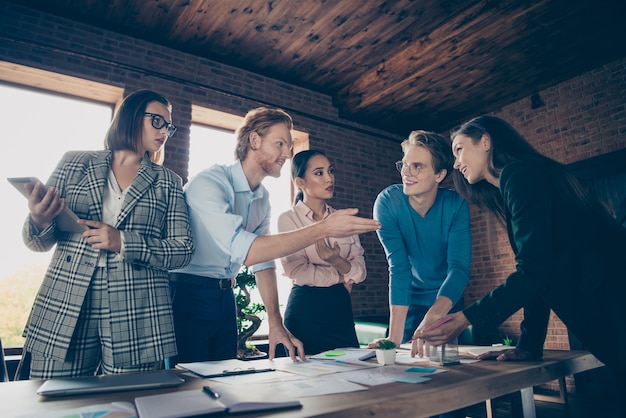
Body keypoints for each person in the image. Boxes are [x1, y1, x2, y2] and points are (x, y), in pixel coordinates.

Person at [417, 115, 626, 413]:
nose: (456, 163)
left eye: (460, 149)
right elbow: (539, 275)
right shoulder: (517, 182)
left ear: (486, 141)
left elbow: (534, 271)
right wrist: (528, 346)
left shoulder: (519, 174)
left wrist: (465, 318)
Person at [169, 107, 380, 363]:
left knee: (218, 378)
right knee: (186, 386)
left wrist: (275, 322)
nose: (287, 153)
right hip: (187, 293)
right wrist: (325, 228)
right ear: (254, 140)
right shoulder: (210, 183)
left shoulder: (262, 198)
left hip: (225, 297)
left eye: (289, 146)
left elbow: (264, 263)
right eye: (280, 143)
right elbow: (247, 251)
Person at [21, 90, 195, 378]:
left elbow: (182, 250)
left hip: (138, 307)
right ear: (130, 117)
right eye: (157, 121)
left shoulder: (168, 182)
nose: (165, 131)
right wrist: (39, 219)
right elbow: (37, 242)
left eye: (169, 125)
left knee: (130, 402)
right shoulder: (73, 163)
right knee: (55, 400)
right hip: (67, 299)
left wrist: (123, 242)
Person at [367, 130, 471, 351]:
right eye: (405, 164)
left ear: (439, 175)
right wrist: (393, 338)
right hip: (409, 300)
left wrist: (434, 315)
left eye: (417, 166)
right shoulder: (387, 203)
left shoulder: (455, 206)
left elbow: (459, 269)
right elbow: (399, 267)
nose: (406, 172)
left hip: (447, 299)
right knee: (405, 364)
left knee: (447, 369)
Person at [277, 150, 367, 355]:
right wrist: (342, 273)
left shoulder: (343, 218)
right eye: (319, 173)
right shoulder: (288, 219)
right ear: (300, 182)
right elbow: (298, 270)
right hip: (305, 309)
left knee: (350, 375)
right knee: (303, 380)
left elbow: (360, 271)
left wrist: (336, 260)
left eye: (330, 171)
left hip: (340, 307)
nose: (329, 178)